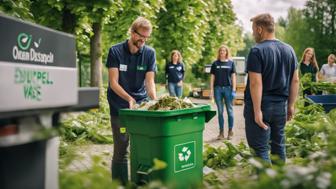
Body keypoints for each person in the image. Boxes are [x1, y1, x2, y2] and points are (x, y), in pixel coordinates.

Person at [105, 17, 157, 184]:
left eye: (147, 37)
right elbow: (113, 83)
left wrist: (155, 101)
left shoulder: (150, 53)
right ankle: (119, 184)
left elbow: (149, 82)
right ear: (132, 32)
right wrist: (129, 98)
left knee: (142, 147)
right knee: (121, 148)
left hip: (140, 107)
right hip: (119, 107)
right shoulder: (115, 51)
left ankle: (141, 182)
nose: (144, 40)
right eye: (141, 36)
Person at [244, 13, 299, 163]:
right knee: (278, 147)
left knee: (260, 149)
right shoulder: (290, 50)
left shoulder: (257, 51)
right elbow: (295, 81)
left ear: (260, 29)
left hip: (261, 106)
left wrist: (257, 112)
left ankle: (265, 182)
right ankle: (279, 182)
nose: (253, 33)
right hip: (281, 107)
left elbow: (256, 83)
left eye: (253, 29)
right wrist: (291, 105)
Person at [210, 45, 236, 140]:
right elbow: (212, 78)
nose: (222, 52)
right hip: (217, 89)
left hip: (228, 89)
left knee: (230, 110)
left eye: (224, 51)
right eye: (221, 51)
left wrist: (234, 89)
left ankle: (230, 131)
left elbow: (233, 77)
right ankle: (221, 132)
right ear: (219, 52)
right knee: (220, 111)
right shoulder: (215, 63)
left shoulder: (231, 63)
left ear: (226, 52)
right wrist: (211, 90)